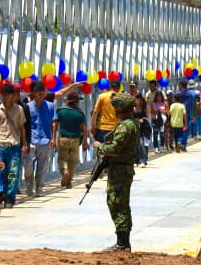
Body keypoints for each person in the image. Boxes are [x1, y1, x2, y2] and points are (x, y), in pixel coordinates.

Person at [93, 93, 138, 251]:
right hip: (123, 168)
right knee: (122, 203)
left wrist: (99, 146)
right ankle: (123, 241)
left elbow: (114, 149)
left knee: (116, 202)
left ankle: (122, 242)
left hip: (119, 169)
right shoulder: (131, 123)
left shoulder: (125, 126)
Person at [0, 83, 27, 208]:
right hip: (1, 145)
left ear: (13, 96)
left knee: (13, 172)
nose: (6, 97)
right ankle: (2, 194)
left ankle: (10, 197)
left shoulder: (19, 110)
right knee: (0, 171)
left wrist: (24, 144)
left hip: (14, 144)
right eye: (4, 94)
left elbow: (22, 127)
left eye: (9, 95)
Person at [23, 82, 55, 198]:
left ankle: (39, 187)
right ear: (33, 94)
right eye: (38, 93)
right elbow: (24, 124)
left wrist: (53, 138)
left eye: (42, 94)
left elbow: (54, 122)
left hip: (45, 139)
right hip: (31, 139)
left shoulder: (50, 106)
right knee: (28, 164)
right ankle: (29, 183)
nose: (40, 96)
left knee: (42, 165)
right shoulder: (27, 106)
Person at [52, 91, 88, 188]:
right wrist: (85, 142)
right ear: (76, 102)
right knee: (72, 161)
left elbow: (55, 124)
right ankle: (69, 181)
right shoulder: (80, 114)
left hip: (63, 138)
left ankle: (64, 171)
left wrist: (53, 138)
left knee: (62, 159)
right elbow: (84, 128)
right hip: (75, 140)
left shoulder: (61, 111)